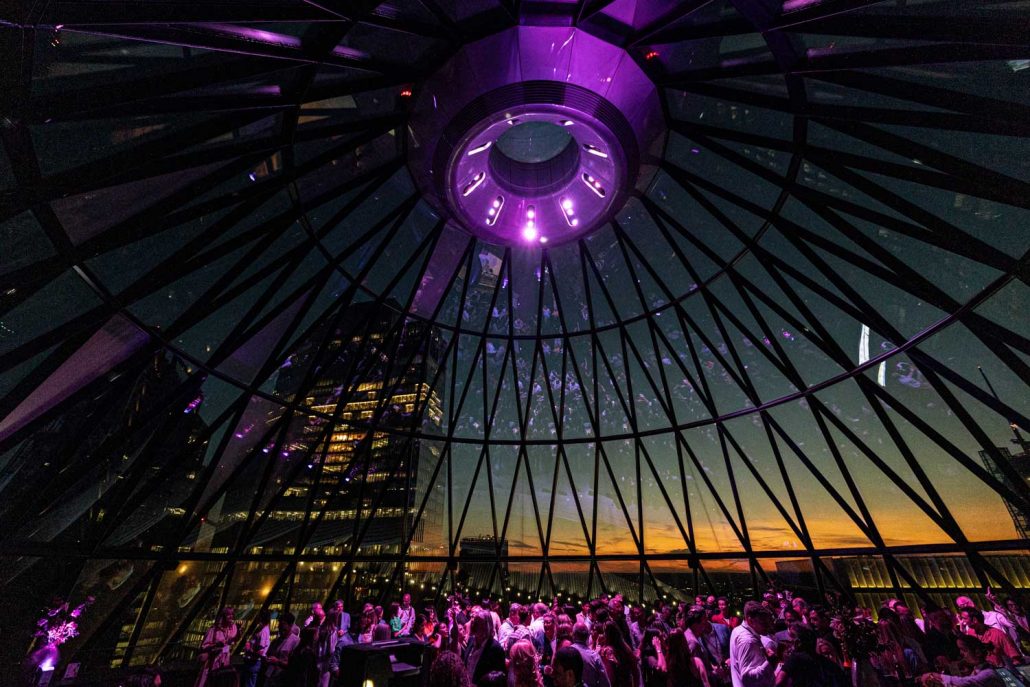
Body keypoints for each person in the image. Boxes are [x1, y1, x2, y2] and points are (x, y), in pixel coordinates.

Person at [917, 635, 1004, 686]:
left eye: (964, 650)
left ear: (977, 653)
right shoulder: (976, 670)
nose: (961, 654)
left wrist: (938, 676)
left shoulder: (988, 673)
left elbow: (966, 682)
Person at [774, 625, 846, 687]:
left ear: (798, 642)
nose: (791, 643)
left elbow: (780, 679)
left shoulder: (795, 658)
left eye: (793, 639)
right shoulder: (829, 664)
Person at [729, 601, 775, 687]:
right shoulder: (748, 640)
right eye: (763, 623)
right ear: (750, 620)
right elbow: (747, 677)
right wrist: (769, 663)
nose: (767, 626)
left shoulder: (737, 630)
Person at [197, 607, 239, 687]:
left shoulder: (232, 628)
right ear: (223, 616)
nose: (231, 616)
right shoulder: (214, 630)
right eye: (228, 614)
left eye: (232, 614)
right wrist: (217, 645)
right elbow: (204, 646)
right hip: (213, 661)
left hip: (225, 661)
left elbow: (233, 639)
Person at [464, 613, 506, 687]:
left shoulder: (495, 648)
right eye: (475, 622)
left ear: (487, 626)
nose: (475, 626)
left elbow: (499, 678)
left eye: (479, 623)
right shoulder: (470, 641)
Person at [599, 621, 639, 687]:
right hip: (626, 682)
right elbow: (635, 669)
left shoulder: (608, 650)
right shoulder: (625, 648)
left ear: (607, 634)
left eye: (604, 632)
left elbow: (608, 675)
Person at [265, 612, 300, 687]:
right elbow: (268, 655)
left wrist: (277, 661)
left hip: (283, 680)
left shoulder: (296, 641)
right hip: (271, 678)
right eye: (279, 625)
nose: (280, 628)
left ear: (290, 625)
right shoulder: (275, 641)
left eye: (283, 625)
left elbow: (294, 665)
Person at [571, 622, 611, 687]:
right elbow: (605, 683)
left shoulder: (566, 652)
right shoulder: (594, 656)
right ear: (587, 636)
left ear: (573, 635)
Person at [241, 609, 272, 687]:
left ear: (261, 618)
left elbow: (260, 652)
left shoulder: (264, 631)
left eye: (258, 616)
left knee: (250, 684)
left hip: (254, 663)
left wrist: (248, 649)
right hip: (252, 662)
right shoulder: (262, 629)